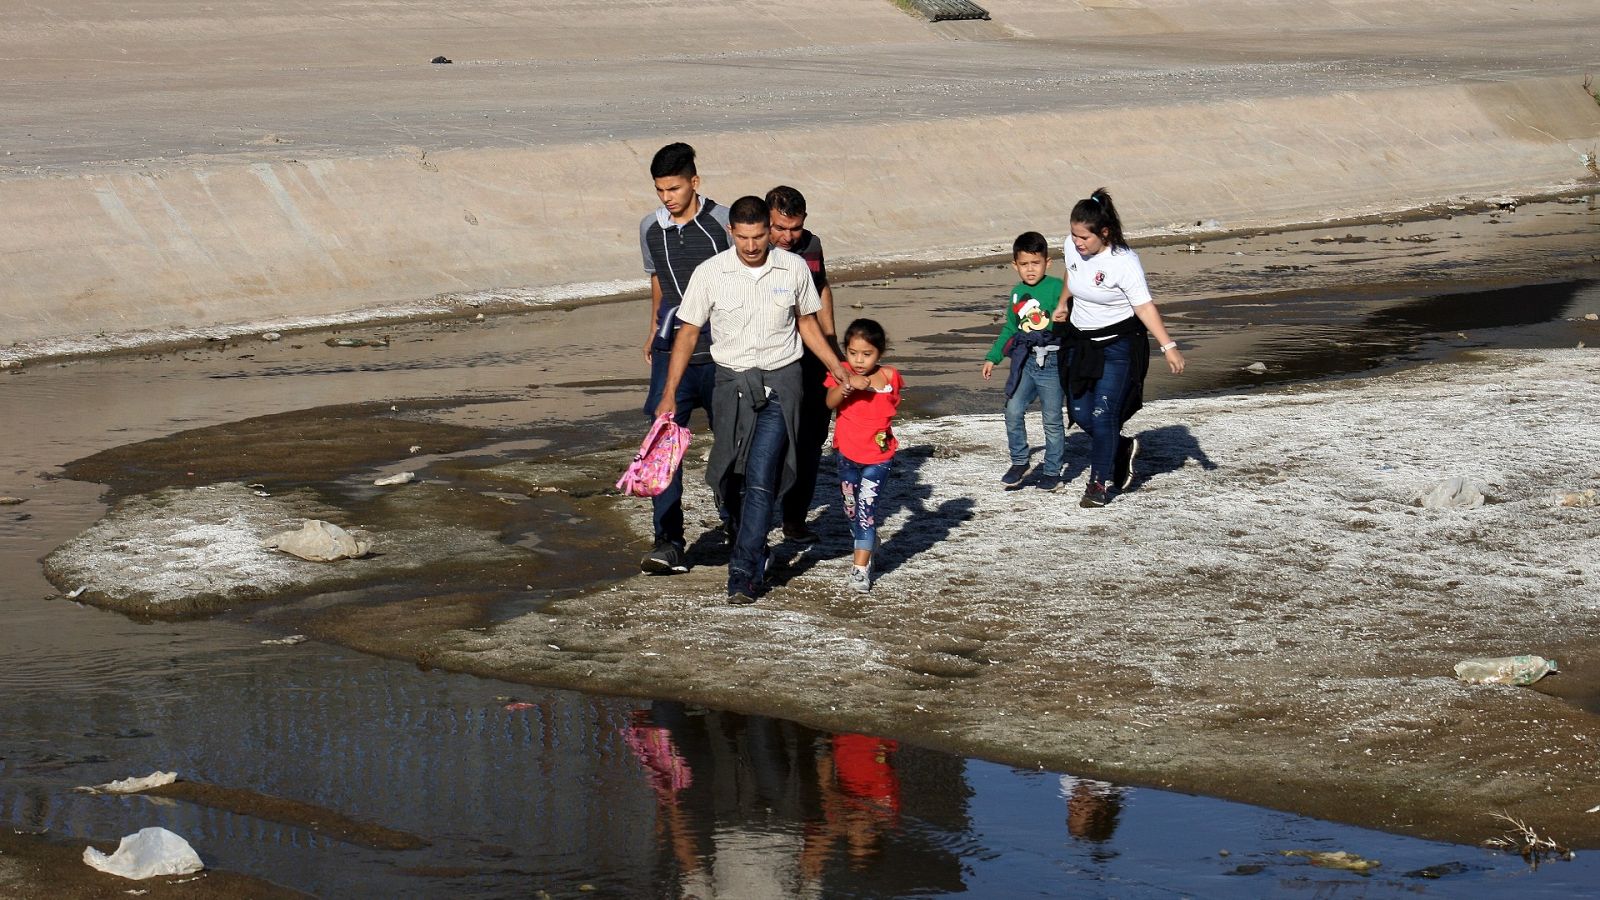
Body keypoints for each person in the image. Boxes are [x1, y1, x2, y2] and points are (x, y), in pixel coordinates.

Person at [656, 196, 863, 604]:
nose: (752, 246)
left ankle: (744, 572)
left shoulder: (794, 267)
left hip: (781, 383)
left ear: (768, 231)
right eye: (744, 237)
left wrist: (836, 364)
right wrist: (668, 393)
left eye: (759, 236)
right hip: (730, 385)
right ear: (731, 232)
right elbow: (687, 333)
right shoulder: (711, 273)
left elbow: (806, 321)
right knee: (729, 478)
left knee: (762, 476)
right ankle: (749, 539)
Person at [1053, 188, 1185, 508]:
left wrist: (1168, 346)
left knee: (1104, 414)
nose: (1078, 242)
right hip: (1081, 342)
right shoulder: (1072, 247)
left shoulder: (1123, 262)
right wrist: (1062, 303)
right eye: (1074, 235)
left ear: (1104, 233)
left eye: (1084, 237)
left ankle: (1098, 484)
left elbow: (1144, 307)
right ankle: (1121, 447)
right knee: (1082, 413)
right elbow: (1072, 274)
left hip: (1118, 345)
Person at [637, 143, 731, 575]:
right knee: (662, 446)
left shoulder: (722, 222)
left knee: (732, 443)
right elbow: (658, 281)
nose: (667, 198)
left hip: (722, 353)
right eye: (660, 190)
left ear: (695, 182)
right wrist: (653, 330)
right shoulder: (649, 228)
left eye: (674, 188)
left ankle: (736, 524)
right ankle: (668, 543)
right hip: (671, 350)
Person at [767, 185, 838, 545]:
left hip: (813, 355)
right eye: (780, 227)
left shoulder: (812, 246)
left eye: (794, 228)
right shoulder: (754, 251)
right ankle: (755, 518)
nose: (787, 236)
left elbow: (822, 288)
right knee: (771, 439)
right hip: (772, 358)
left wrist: (832, 343)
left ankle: (795, 520)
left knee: (811, 440)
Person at [980, 232, 1067, 492]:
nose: (1030, 269)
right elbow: (1010, 328)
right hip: (1025, 362)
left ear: (1047, 262)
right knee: (1013, 410)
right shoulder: (1017, 293)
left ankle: (1052, 471)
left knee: (1052, 419)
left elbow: (1072, 318)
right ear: (1015, 265)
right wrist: (992, 357)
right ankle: (1020, 461)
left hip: (1052, 362)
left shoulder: (1056, 288)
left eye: (1036, 263)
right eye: (1025, 264)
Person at [826, 319, 902, 593]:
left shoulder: (890, 376)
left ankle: (860, 570)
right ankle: (868, 542)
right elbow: (829, 402)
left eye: (867, 354)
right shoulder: (842, 373)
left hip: (879, 458)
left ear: (880, 353)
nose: (859, 360)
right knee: (850, 509)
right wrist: (846, 386)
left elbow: (891, 404)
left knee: (866, 512)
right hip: (847, 455)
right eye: (853, 352)